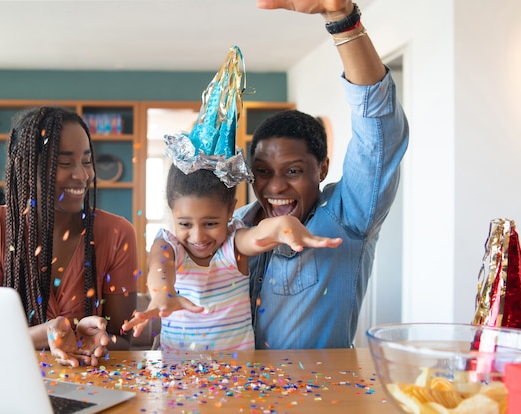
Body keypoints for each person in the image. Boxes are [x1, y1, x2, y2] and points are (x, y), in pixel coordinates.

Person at [126, 0, 409, 350]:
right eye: (262, 172)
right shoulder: (231, 226)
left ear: (321, 168)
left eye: (293, 171)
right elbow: (171, 264)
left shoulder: (345, 217)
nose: (275, 185)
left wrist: (342, 20)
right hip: (227, 397)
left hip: (311, 399)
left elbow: (379, 131)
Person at [0, 106, 138, 366]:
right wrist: (47, 333)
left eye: (87, 161)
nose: (82, 174)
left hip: (91, 386)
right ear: (28, 167)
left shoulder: (118, 233)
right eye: (65, 163)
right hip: (9, 384)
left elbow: (123, 340)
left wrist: (89, 339)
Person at [131, 165, 341, 351]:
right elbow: (159, 267)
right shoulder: (169, 245)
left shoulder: (233, 245)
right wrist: (162, 294)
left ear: (231, 210)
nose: (198, 236)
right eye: (185, 224)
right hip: (178, 373)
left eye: (210, 224)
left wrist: (281, 226)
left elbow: (257, 236)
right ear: (172, 212)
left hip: (236, 375)